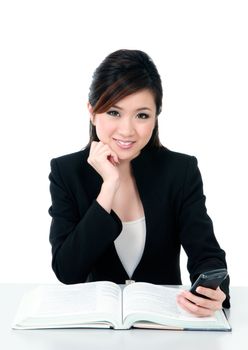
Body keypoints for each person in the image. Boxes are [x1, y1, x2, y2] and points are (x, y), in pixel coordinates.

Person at [48, 49, 230, 316]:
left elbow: (208, 256)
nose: (127, 130)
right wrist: (108, 187)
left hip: (165, 328)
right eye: (113, 112)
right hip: (96, 332)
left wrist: (213, 292)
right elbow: (67, 271)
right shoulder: (67, 171)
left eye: (142, 115)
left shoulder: (180, 171)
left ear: (156, 117)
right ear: (92, 111)